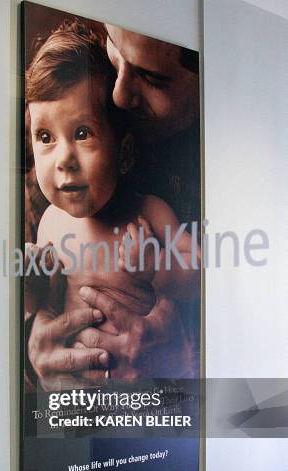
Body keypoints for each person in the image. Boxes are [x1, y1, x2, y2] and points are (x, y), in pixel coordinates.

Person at [26, 22, 201, 391]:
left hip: (145, 396)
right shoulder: (49, 222)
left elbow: (199, 273)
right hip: (77, 398)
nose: (63, 160)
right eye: (45, 137)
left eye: (82, 133)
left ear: (124, 153)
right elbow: (39, 307)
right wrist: (27, 303)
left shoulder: (148, 213)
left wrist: (155, 266)